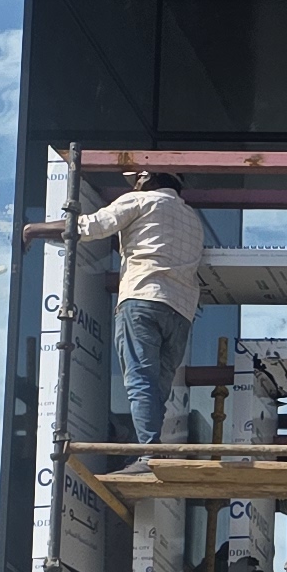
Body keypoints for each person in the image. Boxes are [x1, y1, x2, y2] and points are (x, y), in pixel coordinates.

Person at [21, 171, 206, 448]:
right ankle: (151, 449)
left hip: (143, 298)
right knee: (158, 389)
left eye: (138, 179)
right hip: (181, 311)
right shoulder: (193, 219)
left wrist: (33, 230)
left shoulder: (141, 200)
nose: (135, 184)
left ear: (150, 179)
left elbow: (89, 227)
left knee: (141, 381)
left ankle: (149, 452)